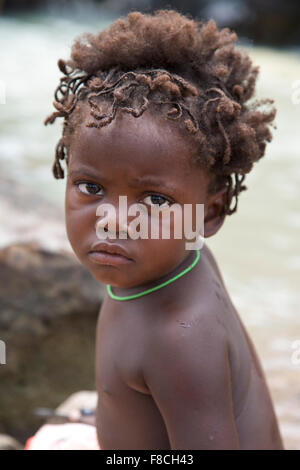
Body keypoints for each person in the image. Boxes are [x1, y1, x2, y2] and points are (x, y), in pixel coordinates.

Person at [44, 9, 284, 450]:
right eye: (91, 186)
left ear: (209, 214)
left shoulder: (181, 337)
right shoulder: (174, 262)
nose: (114, 220)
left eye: (155, 200)